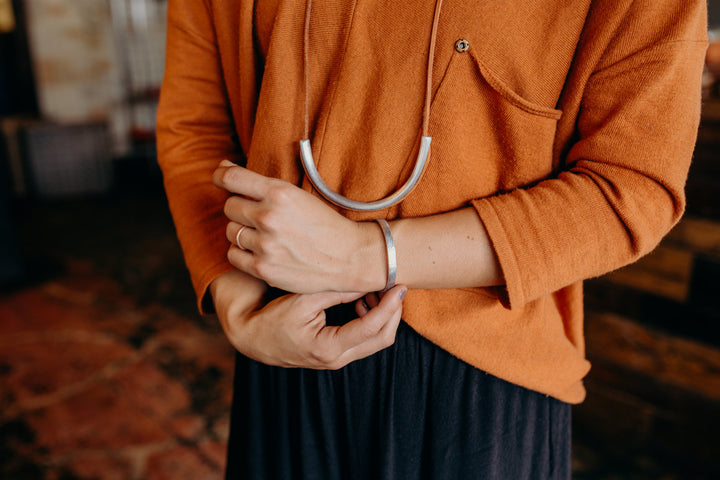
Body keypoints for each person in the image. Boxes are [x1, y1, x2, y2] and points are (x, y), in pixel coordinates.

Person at [156, 0, 707, 478]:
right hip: (278, 343)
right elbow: (194, 129)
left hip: (485, 373)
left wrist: (367, 255)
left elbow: (631, 187)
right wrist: (238, 309)